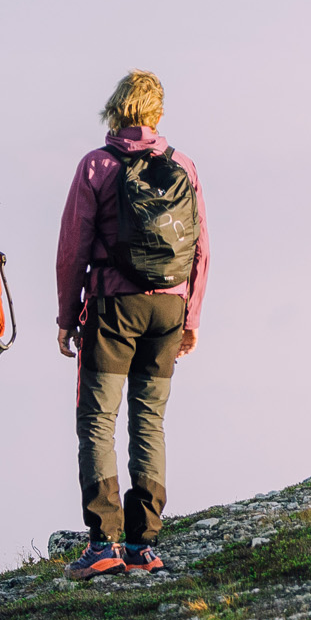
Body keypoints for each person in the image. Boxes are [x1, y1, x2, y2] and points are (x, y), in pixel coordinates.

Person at [56, 71, 209, 578]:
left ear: (116, 109)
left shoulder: (97, 165)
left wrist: (65, 314)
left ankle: (104, 541)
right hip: (168, 310)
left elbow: (72, 247)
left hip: (112, 306)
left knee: (98, 418)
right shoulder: (183, 164)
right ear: (157, 113)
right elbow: (202, 247)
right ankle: (145, 544)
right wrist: (191, 315)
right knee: (150, 419)